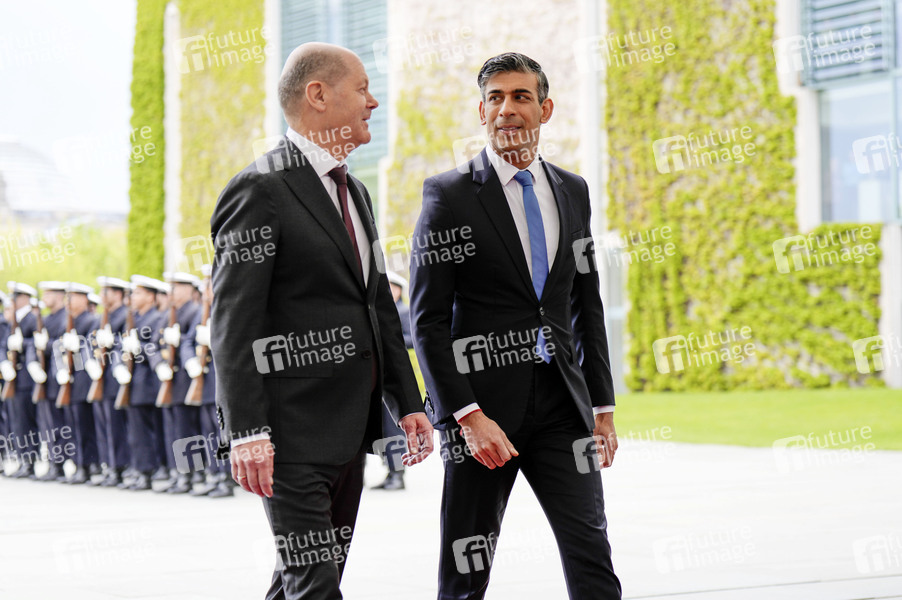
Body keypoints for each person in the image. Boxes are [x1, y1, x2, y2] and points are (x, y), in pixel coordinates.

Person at [210, 42, 433, 598]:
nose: (373, 102)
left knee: (305, 581)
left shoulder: (355, 191)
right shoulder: (260, 188)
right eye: (362, 89)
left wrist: (407, 402)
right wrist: (247, 432)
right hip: (289, 436)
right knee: (316, 585)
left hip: (348, 431)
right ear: (318, 95)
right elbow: (234, 322)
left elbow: (376, 305)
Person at [410, 52, 622, 599]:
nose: (507, 109)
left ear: (544, 109)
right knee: (466, 571)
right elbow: (428, 321)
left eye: (521, 96)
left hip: (562, 408)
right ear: (481, 111)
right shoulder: (448, 194)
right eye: (496, 98)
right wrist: (466, 417)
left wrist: (601, 407)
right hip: (483, 414)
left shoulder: (573, 189)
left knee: (592, 555)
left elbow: (586, 304)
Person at [111, 276, 172, 491]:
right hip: (132, 382)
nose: (133, 297)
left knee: (150, 430)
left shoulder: (157, 318)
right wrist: (118, 365)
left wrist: (140, 348)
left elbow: (156, 346)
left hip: (149, 382)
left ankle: (152, 469)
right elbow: (119, 347)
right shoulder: (133, 318)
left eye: (138, 293)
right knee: (136, 431)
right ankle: (141, 469)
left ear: (150, 296)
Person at [182, 264, 234, 498]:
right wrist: (190, 361)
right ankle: (214, 474)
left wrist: (214, 339)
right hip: (203, 381)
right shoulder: (202, 311)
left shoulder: (229, 308)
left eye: (209, 283)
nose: (205, 290)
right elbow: (187, 341)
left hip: (222, 382)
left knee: (222, 432)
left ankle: (226, 477)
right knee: (208, 431)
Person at [156, 272, 202, 494]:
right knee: (172, 430)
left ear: (187, 289)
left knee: (187, 430)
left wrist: (179, 340)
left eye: (175, 288)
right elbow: (154, 344)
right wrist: (158, 364)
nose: (171, 293)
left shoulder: (194, 311)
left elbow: (191, 340)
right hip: (169, 379)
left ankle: (191, 472)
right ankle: (178, 471)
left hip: (185, 379)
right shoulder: (168, 314)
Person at [87, 276, 132, 487]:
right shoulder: (102, 317)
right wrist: (90, 361)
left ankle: (119, 467)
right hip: (101, 378)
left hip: (116, 378)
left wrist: (113, 342)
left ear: (117, 293)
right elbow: (89, 342)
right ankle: (108, 465)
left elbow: (126, 342)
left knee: (116, 427)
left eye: (105, 292)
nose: (102, 296)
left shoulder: (124, 315)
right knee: (103, 426)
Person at [371, 271, 413, 491]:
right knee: (381, 430)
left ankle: (397, 474)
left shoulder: (403, 311)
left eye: (393, 288)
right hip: (376, 378)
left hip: (394, 376)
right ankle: (389, 471)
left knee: (394, 428)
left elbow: (413, 338)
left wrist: (387, 341)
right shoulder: (378, 311)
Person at [56, 282, 101, 484]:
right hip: (71, 380)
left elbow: (92, 347)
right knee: (73, 426)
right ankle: (78, 464)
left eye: (72, 297)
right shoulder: (67, 321)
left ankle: (89, 464)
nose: (68, 302)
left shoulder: (91, 320)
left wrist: (78, 349)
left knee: (85, 426)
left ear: (84, 299)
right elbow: (57, 350)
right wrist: (60, 369)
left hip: (85, 379)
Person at [31, 281, 69, 482]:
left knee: (59, 424)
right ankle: (54, 462)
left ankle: (60, 463)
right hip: (45, 378)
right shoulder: (46, 319)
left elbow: (62, 344)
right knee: (49, 425)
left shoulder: (65, 318)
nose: (45, 298)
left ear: (59, 295)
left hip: (59, 377)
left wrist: (46, 345)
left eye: (48, 294)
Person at [3, 281, 40, 478]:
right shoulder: (14, 319)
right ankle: (21, 458)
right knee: (17, 421)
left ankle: (30, 460)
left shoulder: (32, 319)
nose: (12, 301)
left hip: (27, 376)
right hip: (14, 376)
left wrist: (22, 344)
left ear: (25, 298)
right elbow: (4, 344)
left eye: (15, 297)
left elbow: (37, 343)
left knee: (27, 421)